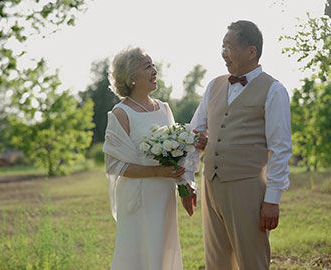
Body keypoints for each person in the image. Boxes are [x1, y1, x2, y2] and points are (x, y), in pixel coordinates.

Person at [184, 20, 293, 269]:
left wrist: (272, 200)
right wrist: (188, 179)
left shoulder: (274, 90)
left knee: (252, 262)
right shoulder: (214, 85)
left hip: (247, 189)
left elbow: (280, 148)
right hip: (211, 186)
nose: (223, 53)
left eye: (229, 47)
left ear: (251, 51)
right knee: (216, 262)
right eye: (222, 46)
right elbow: (193, 132)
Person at [102, 47, 194, 270]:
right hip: (138, 196)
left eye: (153, 65)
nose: (155, 70)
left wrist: (186, 186)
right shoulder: (121, 114)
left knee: (162, 249)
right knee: (138, 252)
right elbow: (116, 165)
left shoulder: (163, 108)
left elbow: (178, 154)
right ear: (131, 77)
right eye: (147, 66)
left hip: (164, 194)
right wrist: (156, 172)